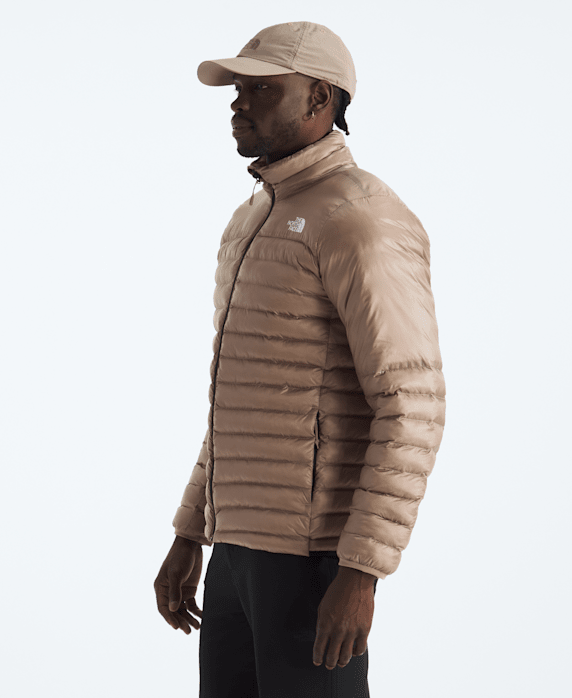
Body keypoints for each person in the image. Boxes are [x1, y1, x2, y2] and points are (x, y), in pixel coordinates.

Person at [154, 20, 446, 697]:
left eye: (261, 89)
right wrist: (192, 531)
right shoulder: (251, 218)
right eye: (237, 88)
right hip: (236, 552)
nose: (238, 103)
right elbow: (239, 400)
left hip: (315, 559)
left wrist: (361, 571)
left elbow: (411, 404)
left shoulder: (360, 220)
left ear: (319, 97)